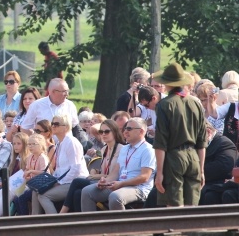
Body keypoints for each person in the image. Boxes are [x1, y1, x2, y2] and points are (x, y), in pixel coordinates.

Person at [153, 62, 207, 207]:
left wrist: (159, 173)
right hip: (194, 157)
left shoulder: (165, 104)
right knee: (191, 208)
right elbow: (202, 141)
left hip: (173, 158)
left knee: (173, 208)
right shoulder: (195, 103)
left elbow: (161, 142)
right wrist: (201, 170)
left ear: (167, 83)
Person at [81, 117, 156, 211]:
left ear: (141, 131)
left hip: (138, 188)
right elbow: (115, 172)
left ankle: (120, 225)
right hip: (120, 184)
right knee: (87, 191)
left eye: (129, 129)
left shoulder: (148, 150)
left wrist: (121, 183)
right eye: (125, 129)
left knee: (115, 196)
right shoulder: (125, 149)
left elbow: (144, 177)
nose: (125, 132)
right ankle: (91, 225)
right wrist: (105, 181)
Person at [60, 119, 124, 213]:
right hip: (101, 180)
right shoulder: (104, 149)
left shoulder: (121, 149)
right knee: (78, 193)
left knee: (77, 182)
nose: (103, 134)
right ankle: (79, 222)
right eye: (101, 132)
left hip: (112, 183)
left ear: (115, 132)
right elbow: (104, 170)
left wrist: (96, 176)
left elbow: (115, 174)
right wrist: (95, 170)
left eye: (107, 131)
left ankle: (62, 213)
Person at [31, 114, 89, 215]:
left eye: (56, 124)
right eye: (52, 123)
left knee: (44, 196)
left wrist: (60, 182)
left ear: (66, 127)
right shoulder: (60, 143)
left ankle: (55, 223)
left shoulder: (72, 142)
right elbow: (60, 169)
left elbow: (76, 168)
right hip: (62, 180)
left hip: (74, 182)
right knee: (36, 191)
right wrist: (52, 181)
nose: (53, 126)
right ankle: (35, 222)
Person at [0, 132, 30, 217]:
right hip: (14, 185)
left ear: (25, 144)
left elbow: (23, 178)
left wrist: (7, 184)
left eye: (19, 144)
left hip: (24, 185)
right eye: (14, 144)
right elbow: (12, 176)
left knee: (4, 191)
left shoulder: (28, 159)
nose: (15, 146)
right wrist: (4, 183)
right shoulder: (14, 159)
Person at [199, 120, 237, 205]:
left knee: (209, 195)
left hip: (216, 183)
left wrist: (195, 170)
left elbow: (223, 167)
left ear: (208, 132)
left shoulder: (224, 143)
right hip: (203, 183)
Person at [12, 133, 50, 215]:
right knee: (16, 198)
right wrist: (27, 174)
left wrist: (31, 171)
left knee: (22, 197)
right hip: (32, 184)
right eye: (29, 144)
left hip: (41, 185)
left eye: (33, 144)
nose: (30, 146)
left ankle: (26, 219)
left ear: (41, 145)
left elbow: (45, 172)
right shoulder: (30, 157)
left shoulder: (42, 157)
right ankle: (21, 217)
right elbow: (27, 169)